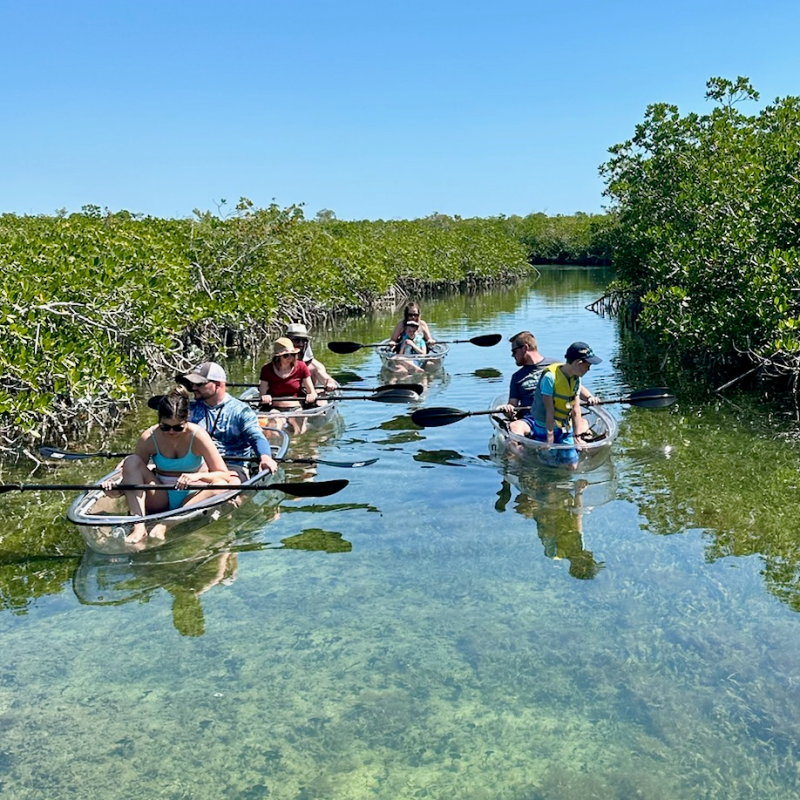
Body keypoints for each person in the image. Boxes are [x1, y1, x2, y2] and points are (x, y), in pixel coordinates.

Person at [103, 387, 233, 544]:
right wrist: (116, 490)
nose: (171, 432)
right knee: (131, 460)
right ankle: (139, 526)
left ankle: (168, 523)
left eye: (178, 427)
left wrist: (197, 476)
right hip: (160, 496)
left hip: (192, 496)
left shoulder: (198, 436)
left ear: (187, 420)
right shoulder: (148, 437)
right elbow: (134, 474)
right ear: (159, 420)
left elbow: (224, 475)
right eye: (165, 427)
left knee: (220, 485)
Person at [511, 341, 602, 468]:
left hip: (564, 424)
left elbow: (576, 409)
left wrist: (577, 436)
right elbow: (549, 411)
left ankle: (574, 484)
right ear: (578, 363)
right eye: (588, 366)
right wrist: (550, 438)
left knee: (572, 465)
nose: (589, 369)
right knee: (549, 462)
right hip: (545, 425)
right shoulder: (550, 378)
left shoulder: (576, 378)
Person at [179, 362, 278, 478]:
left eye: (199, 384)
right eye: (192, 384)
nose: (194, 388)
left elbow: (256, 436)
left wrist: (265, 456)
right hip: (198, 465)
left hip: (232, 466)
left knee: (228, 486)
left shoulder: (241, 411)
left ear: (218, 385)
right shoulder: (190, 408)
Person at [259, 337, 318, 435]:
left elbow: (311, 391)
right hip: (276, 409)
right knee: (275, 424)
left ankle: (297, 447)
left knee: (298, 424)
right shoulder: (267, 369)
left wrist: (311, 395)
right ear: (278, 357)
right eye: (286, 355)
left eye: (293, 354)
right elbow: (262, 393)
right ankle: (277, 445)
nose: (290, 357)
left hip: (296, 407)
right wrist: (265, 396)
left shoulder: (301, 366)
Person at [496, 331, 560, 418]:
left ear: (525, 348)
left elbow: (576, 387)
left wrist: (586, 398)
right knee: (515, 427)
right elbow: (512, 404)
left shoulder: (557, 366)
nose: (512, 355)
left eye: (514, 351)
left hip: (557, 415)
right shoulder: (517, 377)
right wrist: (509, 410)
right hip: (529, 418)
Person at [284, 322, 337, 392]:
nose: (301, 344)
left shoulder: (313, 366)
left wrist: (330, 383)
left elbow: (325, 378)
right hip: (285, 398)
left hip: (308, 398)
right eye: (297, 340)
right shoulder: (278, 363)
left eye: (304, 340)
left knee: (321, 396)